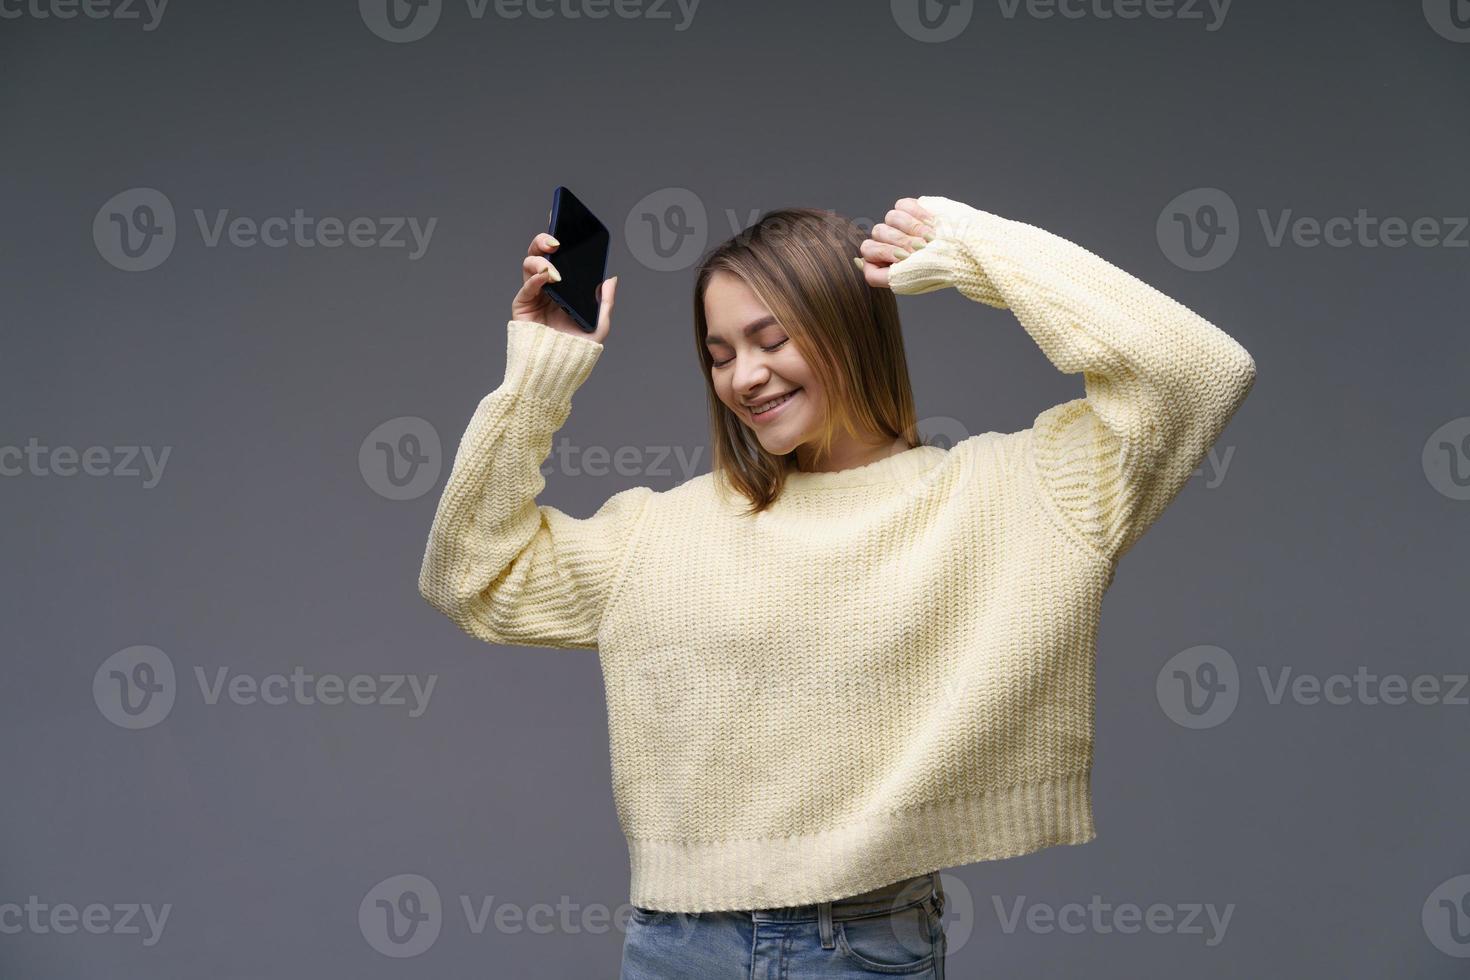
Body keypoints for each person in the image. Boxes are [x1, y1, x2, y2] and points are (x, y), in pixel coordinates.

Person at [417, 194, 1257, 978]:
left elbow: (1198, 373)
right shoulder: (658, 532)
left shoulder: (1017, 492)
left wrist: (977, 248)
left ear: (849, 325)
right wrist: (539, 373)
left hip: (859, 943)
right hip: (675, 944)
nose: (744, 377)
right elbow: (472, 576)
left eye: (771, 339)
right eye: (719, 355)